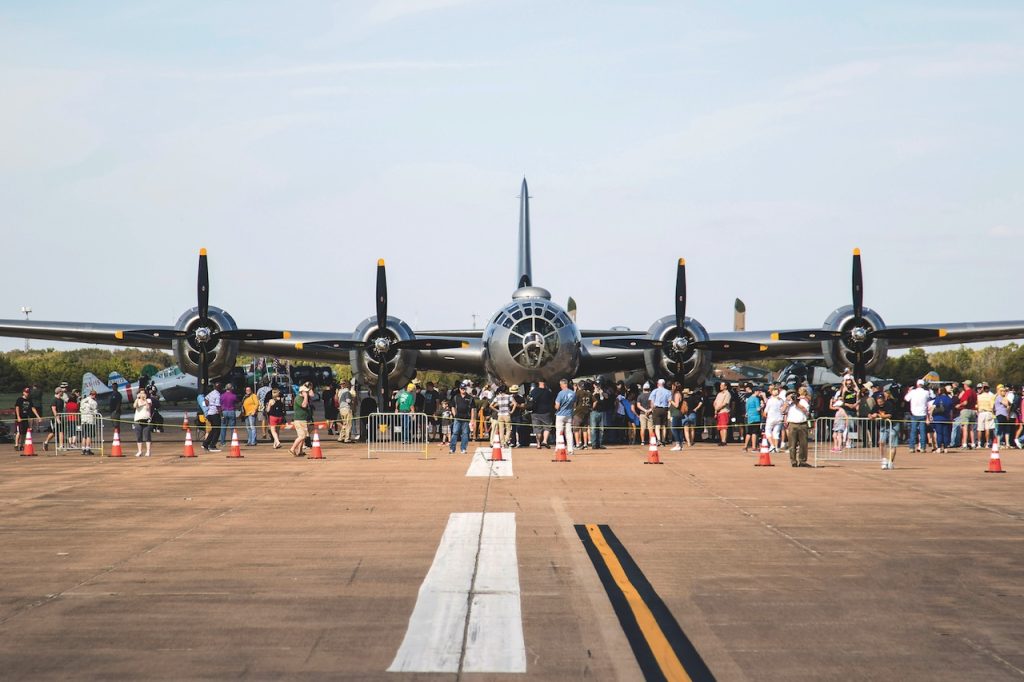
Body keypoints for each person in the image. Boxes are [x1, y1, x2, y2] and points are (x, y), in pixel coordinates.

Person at [785, 387, 812, 467]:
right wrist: (787, 403)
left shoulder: (803, 401)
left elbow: (804, 409)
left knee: (803, 444)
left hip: (802, 423)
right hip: (792, 424)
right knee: (792, 444)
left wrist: (796, 402)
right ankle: (793, 461)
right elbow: (782, 411)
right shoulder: (789, 403)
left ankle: (802, 461)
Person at [904, 380, 930, 453]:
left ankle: (912, 447)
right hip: (922, 413)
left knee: (913, 431)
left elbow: (906, 399)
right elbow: (930, 398)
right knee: (922, 431)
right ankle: (922, 447)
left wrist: (909, 391)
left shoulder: (913, 392)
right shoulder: (926, 392)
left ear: (917, 384)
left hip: (914, 413)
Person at [449, 382, 475, 454]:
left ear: (466, 389)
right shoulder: (456, 397)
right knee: (455, 432)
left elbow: (473, 409)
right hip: (457, 418)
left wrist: (472, 419)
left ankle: (463, 448)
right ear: (459, 389)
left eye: (464, 388)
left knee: (465, 433)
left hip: (466, 418)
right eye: (461, 388)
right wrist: (455, 415)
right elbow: (452, 406)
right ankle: (452, 448)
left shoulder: (470, 398)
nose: (463, 390)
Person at [289, 382, 312, 457]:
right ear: (302, 392)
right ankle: (292, 449)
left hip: (303, 419)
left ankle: (300, 451)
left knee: (304, 436)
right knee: (301, 436)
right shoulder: (298, 398)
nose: (307, 393)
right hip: (299, 420)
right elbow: (304, 405)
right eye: (306, 392)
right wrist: (305, 397)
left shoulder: (302, 398)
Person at [529, 380, 555, 448]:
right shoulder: (548, 392)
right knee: (547, 427)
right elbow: (552, 401)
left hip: (535, 412)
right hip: (546, 412)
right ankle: (545, 441)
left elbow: (530, 400)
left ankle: (538, 444)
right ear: (545, 383)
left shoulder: (533, 391)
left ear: (539, 383)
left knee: (537, 429)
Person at [14, 386, 41, 451]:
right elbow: (17, 408)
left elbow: (32, 408)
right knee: (19, 432)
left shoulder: (29, 400)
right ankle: (16, 445)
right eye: (26, 392)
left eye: (28, 392)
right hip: (20, 418)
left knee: (24, 433)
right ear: (23, 392)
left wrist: (38, 416)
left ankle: (21, 445)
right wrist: (18, 417)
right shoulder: (19, 399)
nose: (27, 393)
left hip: (25, 418)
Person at [553, 378, 576, 454]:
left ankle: (558, 448)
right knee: (569, 433)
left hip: (560, 414)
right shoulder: (573, 393)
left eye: (560, 384)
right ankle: (570, 449)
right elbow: (574, 404)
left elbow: (557, 406)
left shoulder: (561, 393)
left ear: (563, 384)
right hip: (569, 414)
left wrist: (555, 407)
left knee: (559, 432)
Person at [930, 384, 954, 452]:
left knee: (939, 433)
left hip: (938, 418)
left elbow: (933, 407)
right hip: (946, 418)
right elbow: (951, 411)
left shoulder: (938, 398)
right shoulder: (949, 399)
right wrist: (951, 418)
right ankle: (946, 448)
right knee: (946, 433)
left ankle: (939, 448)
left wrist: (931, 415)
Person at [648, 379, 671, 445]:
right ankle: (663, 440)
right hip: (664, 409)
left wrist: (652, 409)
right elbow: (670, 402)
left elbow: (652, 401)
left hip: (656, 409)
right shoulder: (668, 392)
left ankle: (659, 440)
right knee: (663, 425)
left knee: (657, 426)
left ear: (658, 384)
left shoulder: (655, 391)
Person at [43, 387, 66, 452]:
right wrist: (57, 418)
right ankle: (46, 442)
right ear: (59, 392)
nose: (62, 393)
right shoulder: (54, 400)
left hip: (61, 417)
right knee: (54, 432)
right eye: (62, 391)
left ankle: (61, 445)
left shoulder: (61, 400)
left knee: (61, 431)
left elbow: (62, 409)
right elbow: (53, 409)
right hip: (54, 418)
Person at [763, 385, 785, 454]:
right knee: (776, 433)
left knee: (768, 432)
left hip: (771, 418)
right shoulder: (781, 400)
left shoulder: (770, 400)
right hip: (779, 418)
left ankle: (772, 446)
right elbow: (783, 409)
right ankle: (776, 447)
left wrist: (765, 416)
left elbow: (765, 411)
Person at [202, 383, 223, 453]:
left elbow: (205, 399)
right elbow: (218, 406)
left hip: (209, 414)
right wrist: (222, 415)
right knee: (217, 430)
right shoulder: (218, 395)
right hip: (215, 414)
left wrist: (208, 406)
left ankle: (205, 444)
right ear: (219, 388)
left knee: (213, 430)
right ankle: (212, 446)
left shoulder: (211, 393)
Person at [133, 388, 153, 457]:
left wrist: (145, 400)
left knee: (147, 436)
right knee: (139, 437)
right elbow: (135, 406)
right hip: (138, 420)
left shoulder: (148, 400)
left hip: (146, 420)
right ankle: (139, 451)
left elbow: (148, 407)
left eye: (143, 393)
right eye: (141, 393)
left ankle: (148, 451)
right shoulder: (137, 400)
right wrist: (137, 398)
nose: (142, 394)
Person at [743, 385, 764, 451]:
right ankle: (754, 447)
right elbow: (758, 409)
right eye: (758, 391)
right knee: (754, 432)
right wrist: (762, 406)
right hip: (755, 417)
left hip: (749, 417)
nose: (759, 392)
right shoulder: (756, 399)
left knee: (749, 432)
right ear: (755, 391)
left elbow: (746, 408)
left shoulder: (749, 399)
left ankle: (745, 446)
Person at [573, 381, 592, 450]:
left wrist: (574, 408)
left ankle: (578, 444)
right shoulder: (588, 393)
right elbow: (595, 401)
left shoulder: (578, 393)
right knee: (585, 429)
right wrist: (591, 408)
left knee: (576, 429)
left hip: (578, 413)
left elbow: (574, 401)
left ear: (578, 386)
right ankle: (585, 444)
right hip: (586, 412)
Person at [79, 389, 99, 455]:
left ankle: (83, 449)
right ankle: (87, 449)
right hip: (90, 420)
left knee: (84, 436)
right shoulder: (94, 402)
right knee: (89, 435)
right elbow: (95, 412)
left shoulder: (83, 401)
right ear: (93, 395)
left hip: (83, 420)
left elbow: (80, 409)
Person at [976, 382, 996, 447]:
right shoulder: (991, 396)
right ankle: (987, 443)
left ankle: (979, 443)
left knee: (980, 428)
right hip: (988, 412)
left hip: (981, 412)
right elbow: (992, 406)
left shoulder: (979, 396)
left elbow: (976, 406)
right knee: (987, 428)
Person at [713, 382, 732, 446]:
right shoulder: (719, 394)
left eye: (722, 385)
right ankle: (721, 440)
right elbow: (715, 402)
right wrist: (715, 408)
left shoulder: (727, 394)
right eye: (720, 385)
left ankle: (724, 440)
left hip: (724, 411)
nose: (720, 386)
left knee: (724, 427)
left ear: (726, 386)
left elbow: (725, 403)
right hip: (718, 412)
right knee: (720, 427)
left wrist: (718, 408)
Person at [668, 382, 686, 451]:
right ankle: (680, 444)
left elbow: (676, 405)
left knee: (674, 429)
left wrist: (671, 401)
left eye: (673, 386)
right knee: (678, 429)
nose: (672, 388)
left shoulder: (677, 394)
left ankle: (678, 444)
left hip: (676, 414)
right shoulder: (678, 393)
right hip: (677, 414)